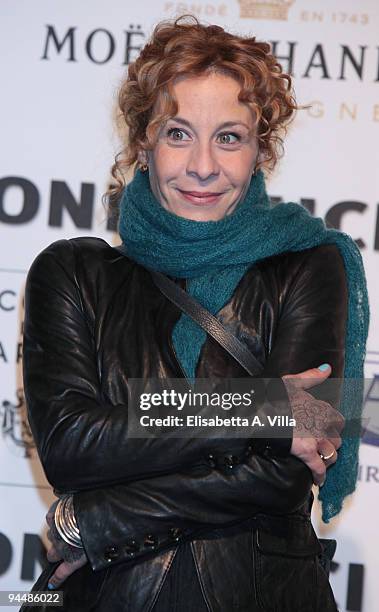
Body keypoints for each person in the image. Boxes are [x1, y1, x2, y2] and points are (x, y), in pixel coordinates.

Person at [21, 15, 369, 612]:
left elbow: (286, 476)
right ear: (142, 143)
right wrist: (260, 407)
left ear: (261, 150)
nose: (204, 165)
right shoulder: (71, 274)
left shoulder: (315, 264)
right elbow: (72, 442)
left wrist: (101, 519)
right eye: (178, 134)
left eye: (229, 137)